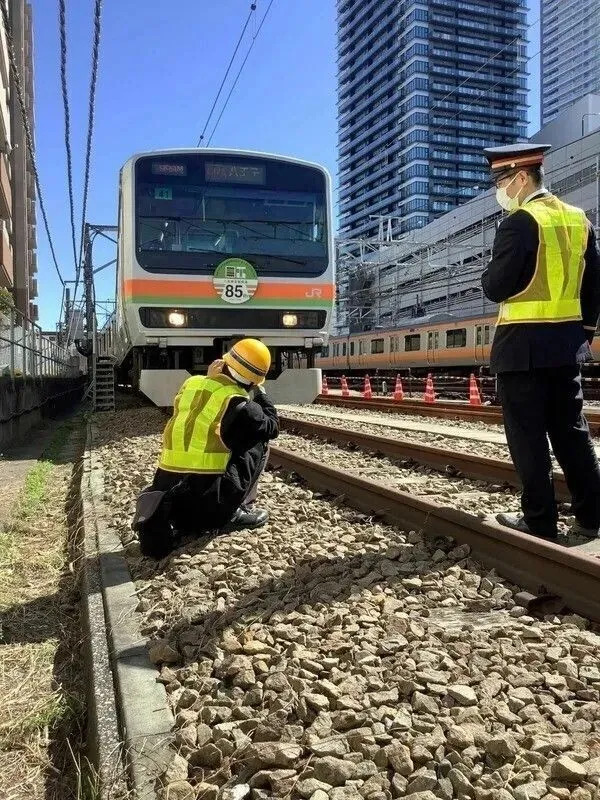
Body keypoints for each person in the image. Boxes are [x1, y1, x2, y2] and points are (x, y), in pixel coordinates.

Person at [481, 143, 600, 541]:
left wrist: (488, 272)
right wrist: (582, 335)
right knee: (572, 434)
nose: (498, 190)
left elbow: (496, 287)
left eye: (500, 181)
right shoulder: (579, 220)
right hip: (566, 349)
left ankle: (540, 522)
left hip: (521, 350)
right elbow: (594, 287)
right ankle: (592, 517)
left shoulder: (519, 222)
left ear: (521, 177)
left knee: (528, 440)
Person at [132, 338, 279, 559]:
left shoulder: (191, 385)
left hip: (170, 507)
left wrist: (212, 379)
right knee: (258, 439)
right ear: (254, 381)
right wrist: (261, 394)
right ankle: (235, 511)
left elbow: (208, 397)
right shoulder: (242, 406)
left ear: (223, 362)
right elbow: (273, 426)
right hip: (209, 513)